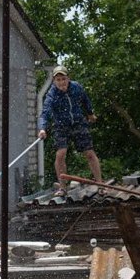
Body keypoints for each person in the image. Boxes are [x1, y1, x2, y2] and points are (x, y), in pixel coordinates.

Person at [37, 66, 103, 195]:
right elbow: (44, 114)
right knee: (60, 154)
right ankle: (62, 187)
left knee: (89, 153)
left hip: (78, 122)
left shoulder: (76, 87)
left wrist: (90, 114)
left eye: (63, 79)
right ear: (54, 81)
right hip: (61, 126)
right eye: (58, 80)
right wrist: (42, 128)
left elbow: (85, 100)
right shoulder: (52, 95)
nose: (61, 82)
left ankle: (100, 183)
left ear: (68, 78)